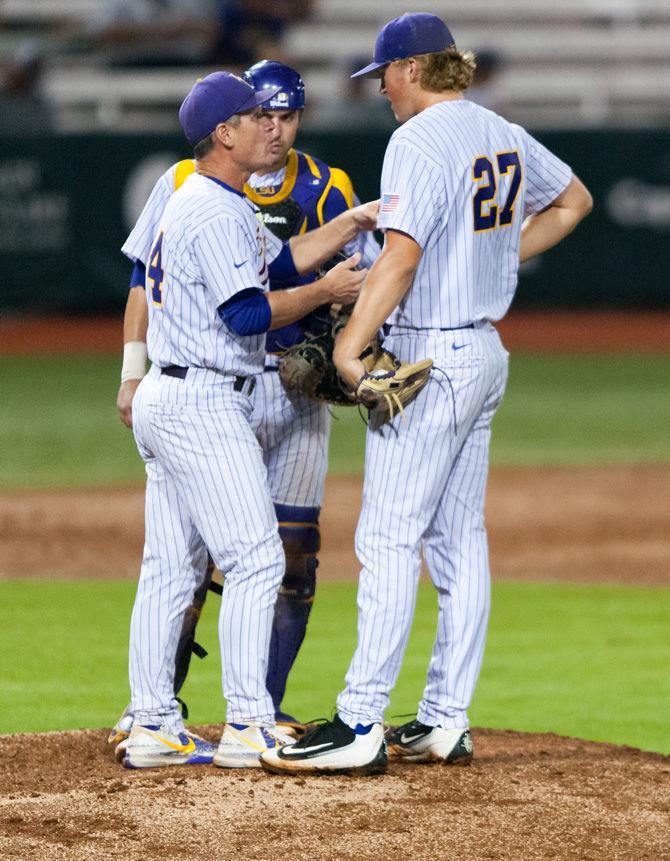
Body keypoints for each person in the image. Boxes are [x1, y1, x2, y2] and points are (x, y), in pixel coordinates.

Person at [259, 12, 592, 776]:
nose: (380, 92)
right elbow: (574, 202)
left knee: (386, 538)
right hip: (483, 353)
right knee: (458, 540)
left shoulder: (415, 140)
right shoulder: (500, 129)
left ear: (410, 69)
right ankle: (445, 718)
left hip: (430, 356)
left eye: (383, 78)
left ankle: (359, 722)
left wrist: (348, 344)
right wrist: (502, 252)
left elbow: (400, 258)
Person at [109, 62, 380, 763]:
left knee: (170, 565)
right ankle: (248, 721)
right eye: (255, 118)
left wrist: (350, 222)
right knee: (258, 559)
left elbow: (280, 260)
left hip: (169, 396)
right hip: (202, 398)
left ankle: (151, 720)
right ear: (222, 133)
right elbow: (250, 311)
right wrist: (329, 292)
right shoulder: (215, 208)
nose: (272, 127)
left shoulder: (202, 198)